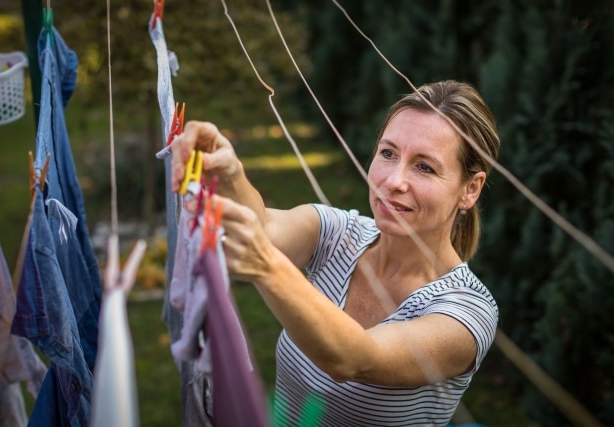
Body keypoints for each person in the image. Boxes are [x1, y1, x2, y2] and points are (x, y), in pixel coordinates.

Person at [170, 80, 500, 426]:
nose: (393, 181)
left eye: (424, 167)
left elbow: (355, 358)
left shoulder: (469, 312)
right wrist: (231, 173)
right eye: (388, 153)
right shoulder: (339, 233)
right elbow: (264, 227)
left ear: (470, 189)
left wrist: (267, 266)